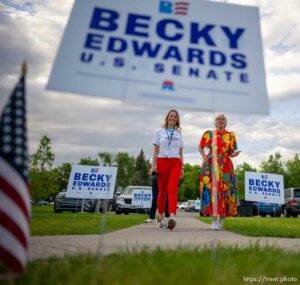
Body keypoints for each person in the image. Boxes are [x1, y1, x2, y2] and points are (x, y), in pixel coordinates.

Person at [198, 113, 240, 230]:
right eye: (218, 119)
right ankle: (214, 221)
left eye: (222, 119)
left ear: (225, 122)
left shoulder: (231, 135)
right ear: (215, 122)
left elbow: (231, 153)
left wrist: (234, 154)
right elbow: (200, 146)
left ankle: (221, 218)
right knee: (213, 192)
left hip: (226, 166)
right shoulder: (209, 134)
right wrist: (204, 156)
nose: (220, 121)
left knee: (226, 191)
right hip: (211, 165)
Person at [150, 109, 184, 230]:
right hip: (162, 161)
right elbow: (155, 150)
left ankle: (172, 217)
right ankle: (160, 217)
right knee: (162, 191)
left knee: (172, 189)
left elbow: (180, 152)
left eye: (175, 117)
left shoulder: (178, 134)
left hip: (175, 162)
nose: (173, 118)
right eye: (171, 116)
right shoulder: (159, 132)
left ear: (177, 120)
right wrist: (153, 166)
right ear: (167, 117)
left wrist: (182, 167)